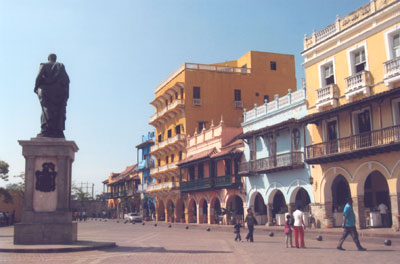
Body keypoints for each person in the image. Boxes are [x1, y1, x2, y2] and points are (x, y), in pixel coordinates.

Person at [34, 53, 70, 138]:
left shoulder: (44, 65)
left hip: (45, 91)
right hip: (58, 92)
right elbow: (66, 80)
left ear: (48, 58)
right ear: (55, 59)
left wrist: (36, 88)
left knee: (46, 110)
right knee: (57, 111)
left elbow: (38, 77)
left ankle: (46, 130)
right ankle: (57, 130)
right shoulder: (60, 66)